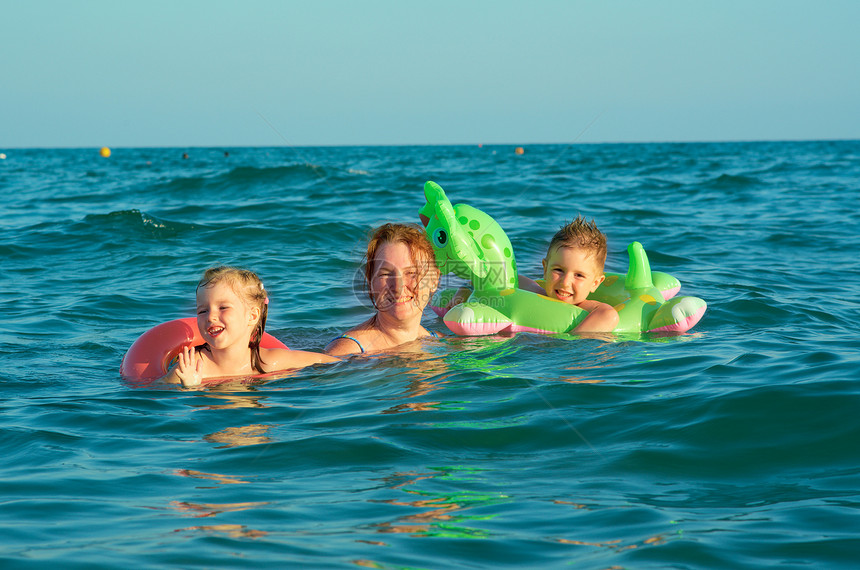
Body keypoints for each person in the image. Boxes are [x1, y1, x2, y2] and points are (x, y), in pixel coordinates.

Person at [163, 266, 338, 387]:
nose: (211, 316)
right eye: (202, 311)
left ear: (252, 315)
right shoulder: (192, 367)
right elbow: (156, 391)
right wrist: (190, 387)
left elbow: (333, 363)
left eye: (223, 307)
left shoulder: (270, 361)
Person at [325, 223, 441, 356]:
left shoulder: (439, 341)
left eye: (411, 273)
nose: (398, 287)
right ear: (370, 282)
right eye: (385, 274)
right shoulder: (347, 353)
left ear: (433, 280)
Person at [518, 216, 619, 333]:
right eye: (558, 270)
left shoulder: (586, 308)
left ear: (595, 283)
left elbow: (609, 315)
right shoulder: (539, 293)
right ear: (545, 269)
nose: (565, 282)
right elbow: (514, 280)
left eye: (579, 275)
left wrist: (570, 338)